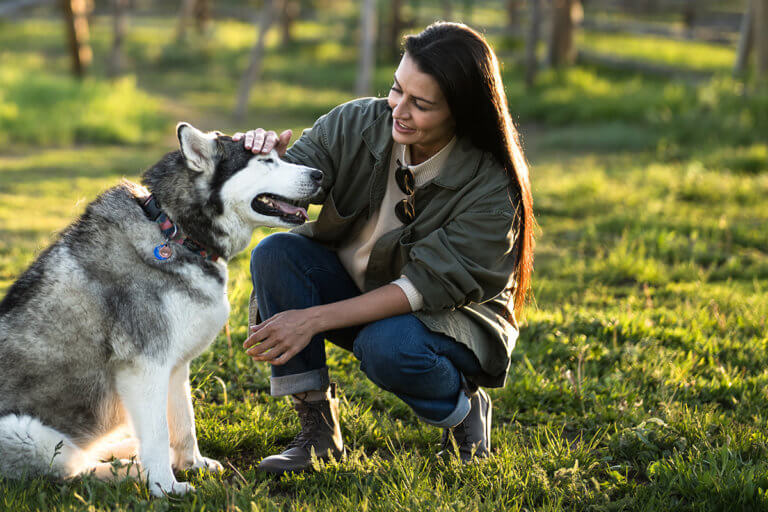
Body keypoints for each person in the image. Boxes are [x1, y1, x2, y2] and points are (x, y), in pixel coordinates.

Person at [233, 21, 534, 474]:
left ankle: (465, 412)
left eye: (422, 104)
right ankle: (318, 432)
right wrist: (260, 158)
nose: (399, 110)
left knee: (386, 346)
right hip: (362, 286)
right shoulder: (357, 123)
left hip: (446, 318)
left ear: (462, 111)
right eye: (397, 90)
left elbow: (421, 289)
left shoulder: (492, 188)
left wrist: (310, 319)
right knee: (276, 254)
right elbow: (292, 181)